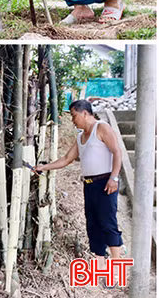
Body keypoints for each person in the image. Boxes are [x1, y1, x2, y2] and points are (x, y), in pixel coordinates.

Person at [33, 99, 124, 285]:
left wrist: (114, 178)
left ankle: (117, 273)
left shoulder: (102, 127)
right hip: (89, 185)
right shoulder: (81, 137)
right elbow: (67, 159)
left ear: (84, 113)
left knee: (108, 225)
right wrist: (44, 167)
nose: (73, 120)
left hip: (105, 183)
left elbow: (117, 152)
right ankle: (101, 271)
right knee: (93, 226)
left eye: (74, 116)